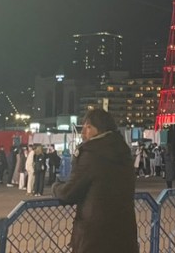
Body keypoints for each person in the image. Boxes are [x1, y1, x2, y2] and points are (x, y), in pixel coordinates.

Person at [53, 108, 138, 253]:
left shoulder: (91, 153)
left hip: (95, 238)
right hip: (124, 235)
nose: (83, 132)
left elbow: (68, 193)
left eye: (88, 127)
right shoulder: (123, 152)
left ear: (99, 129)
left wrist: (56, 187)